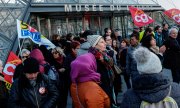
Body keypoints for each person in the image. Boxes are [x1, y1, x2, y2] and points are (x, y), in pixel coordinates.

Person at [87, 35, 117, 107]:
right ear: (95, 45)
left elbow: (110, 64)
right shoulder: (93, 58)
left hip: (108, 85)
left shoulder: (104, 55)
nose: (105, 43)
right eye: (102, 42)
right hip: (101, 89)